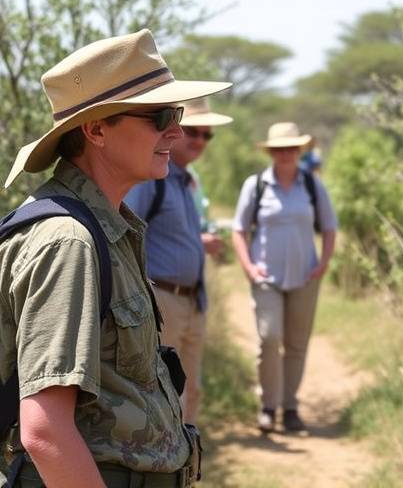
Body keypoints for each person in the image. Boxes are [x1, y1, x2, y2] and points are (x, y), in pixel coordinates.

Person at [0, 29, 231, 487]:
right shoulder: (68, 240)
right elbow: (45, 431)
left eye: (177, 113)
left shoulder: (108, 227)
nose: (177, 131)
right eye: (159, 115)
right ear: (97, 129)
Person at [124, 97, 233, 425]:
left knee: (190, 389)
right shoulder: (151, 179)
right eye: (194, 131)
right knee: (165, 390)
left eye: (207, 135)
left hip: (193, 300)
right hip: (164, 299)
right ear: (173, 131)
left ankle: (185, 465)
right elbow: (127, 234)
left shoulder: (185, 181)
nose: (200, 140)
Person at [232, 122, 337, 433]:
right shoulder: (256, 185)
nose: (286, 153)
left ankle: (290, 407)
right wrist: (249, 268)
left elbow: (330, 226)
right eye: (280, 148)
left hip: (305, 277)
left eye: (292, 148)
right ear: (271, 151)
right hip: (267, 278)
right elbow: (239, 229)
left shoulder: (312, 185)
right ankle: (268, 406)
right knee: (269, 338)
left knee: (296, 344)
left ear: (299, 150)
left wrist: (324, 264)